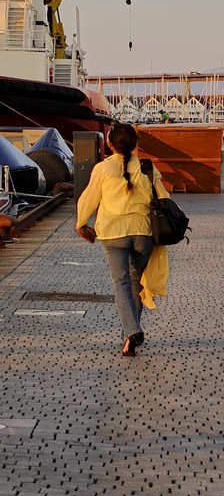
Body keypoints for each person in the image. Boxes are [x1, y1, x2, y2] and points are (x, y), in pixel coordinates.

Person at [76, 122, 171, 355]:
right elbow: (164, 198)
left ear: (109, 145)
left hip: (112, 232)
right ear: (136, 144)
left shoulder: (102, 169)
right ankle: (131, 336)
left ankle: (131, 331)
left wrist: (81, 223)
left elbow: (88, 199)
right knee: (137, 284)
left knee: (121, 283)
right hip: (143, 232)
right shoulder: (148, 168)